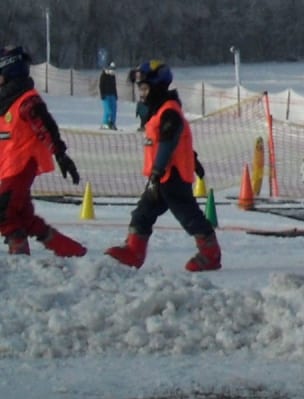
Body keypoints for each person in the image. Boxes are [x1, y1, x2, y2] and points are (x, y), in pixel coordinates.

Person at [105, 59, 222, 272]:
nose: (142, 94)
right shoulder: (159, 111)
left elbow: (169, 142)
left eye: (145, 89)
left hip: (172, 176)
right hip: (160, 176)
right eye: (140, 89)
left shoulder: (169, 112)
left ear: (157, 87)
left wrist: (158, 171)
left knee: (188, 215)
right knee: (142, 213)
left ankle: (210, 253)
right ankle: (134, 251)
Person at [0, 43, 86, 258]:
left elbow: (46, 127)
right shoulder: (6, 101)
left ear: (9, 71)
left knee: (3, 212)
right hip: (10, 165)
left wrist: (60, 154)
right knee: (24, 216)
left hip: (21, 164)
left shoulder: (27, 101)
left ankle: (19, 256)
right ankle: (73, 252)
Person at [99, 61, 119, 131]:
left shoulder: (113, 76)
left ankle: (112, 123)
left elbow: (114, 86)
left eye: (114, 69)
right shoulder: (103, 75)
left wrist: (116, 95)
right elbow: (101, 85)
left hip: (112, 95)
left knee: (114, 110)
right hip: (106, 95)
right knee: (108, 110)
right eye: (112, 69)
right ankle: (105, 123)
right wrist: (102, 94)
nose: (113, 71)